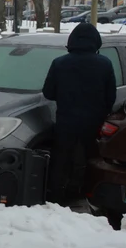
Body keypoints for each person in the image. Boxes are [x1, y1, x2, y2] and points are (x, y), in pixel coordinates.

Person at [42, 22, 116, 205]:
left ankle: (57, 196)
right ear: (96, 42)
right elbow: (111, 97)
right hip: (94, 121)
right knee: (92, 159)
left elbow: (48, 93)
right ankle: (88, 194)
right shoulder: (104, 64)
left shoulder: (59, 63)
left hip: (66, 120)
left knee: (62, 160)